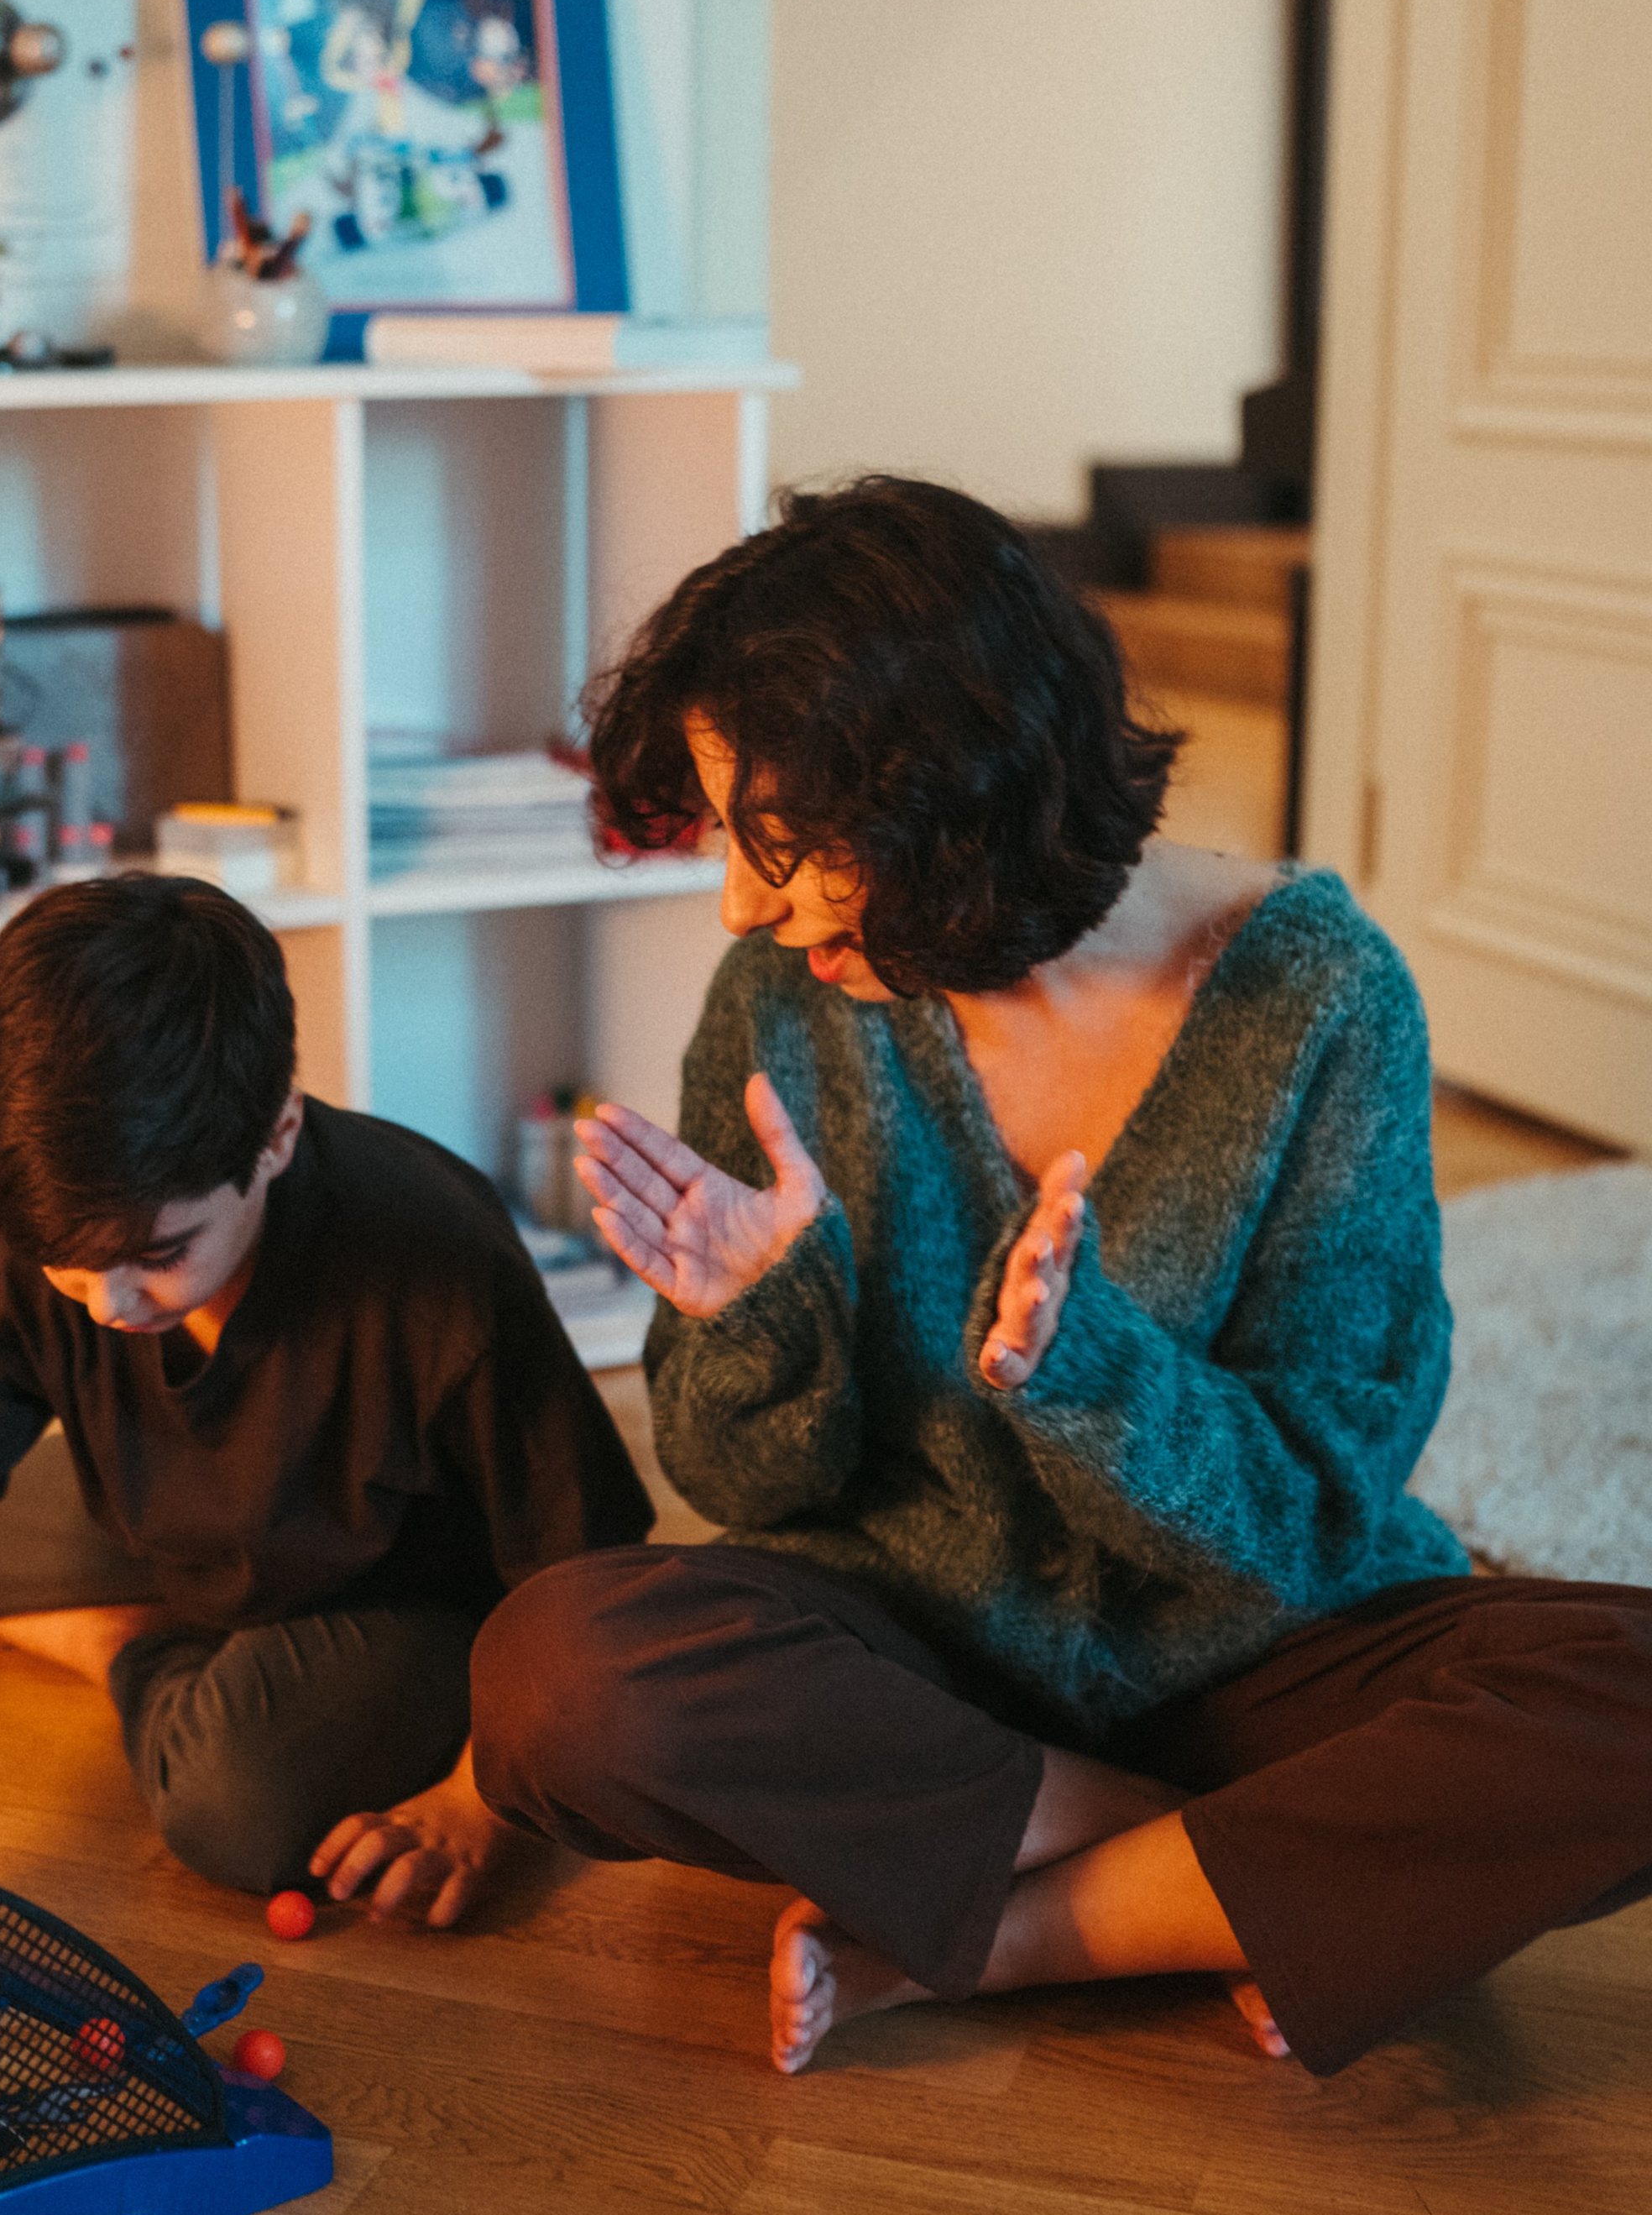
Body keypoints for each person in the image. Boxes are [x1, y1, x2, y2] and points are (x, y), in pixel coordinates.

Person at [466, 475, 1652, 2075]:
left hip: (1253, 1658)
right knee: (558, 1676)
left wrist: (1091, 1378)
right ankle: (1218, 1869)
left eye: (790, 847)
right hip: (913, 1658)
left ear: (958, 800)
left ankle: (1009, 1932)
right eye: (736, 840)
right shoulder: (785, 994)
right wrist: (759, 1321)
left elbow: (1318, 1510)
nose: (744, 902)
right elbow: (740, 1488)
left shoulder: (1322, 1000)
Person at [0, 874, 651, 1923]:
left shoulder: (435, 1262)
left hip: (402, 1596)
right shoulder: (40, 1222)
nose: (106, 1305)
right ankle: (142, 1635)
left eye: (158, 1256)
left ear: (275, 1136)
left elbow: (583, 1580)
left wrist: (481, 1797)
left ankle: (124, 1646)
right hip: (168, 1528)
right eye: (66, 1265)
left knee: (233, 1806)